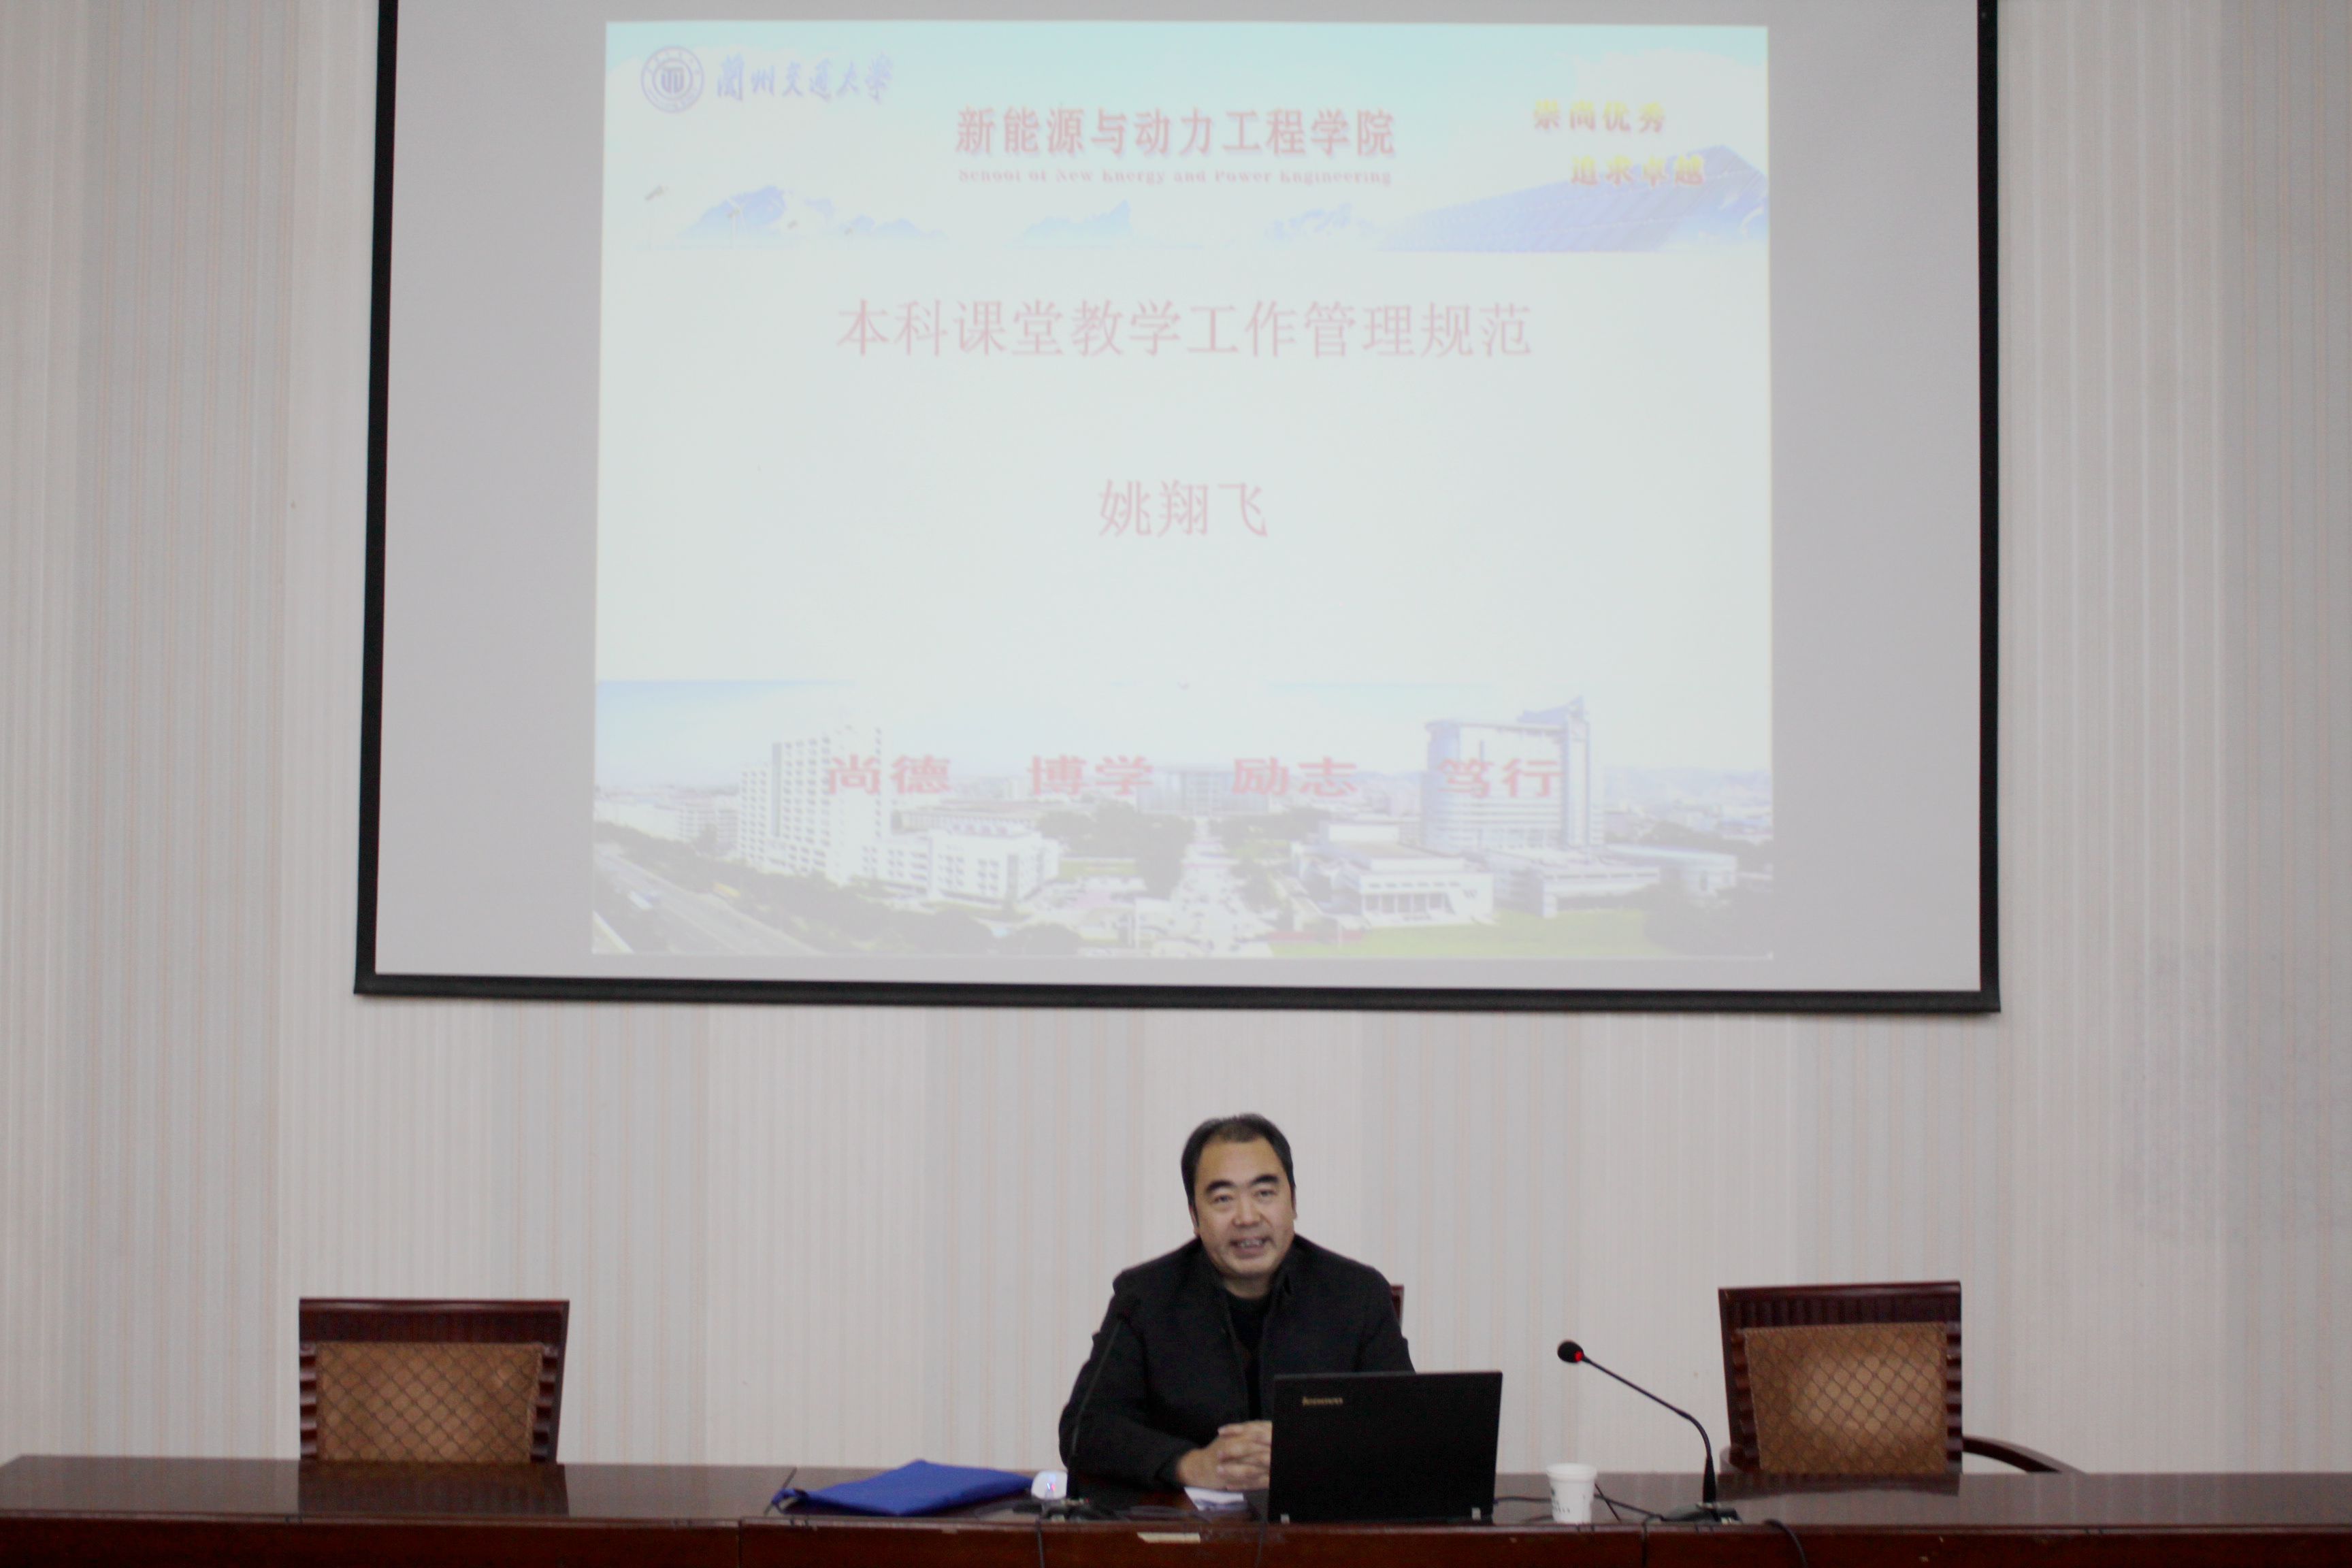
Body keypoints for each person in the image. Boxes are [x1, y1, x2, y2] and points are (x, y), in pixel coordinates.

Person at [1056, 1113, 1412, 1491]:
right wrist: (1190, 1465)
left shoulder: (1357, 1294)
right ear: (1195, 1217)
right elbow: (1083, 1431)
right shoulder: (1144, 1297)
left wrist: (1304, 1451)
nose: (1246, 1217)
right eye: (1223, 1199)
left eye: (1264, 1193)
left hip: (1320, 1518)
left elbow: (1405, 1428)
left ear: (1293, 1202)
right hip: (1187, 1524)